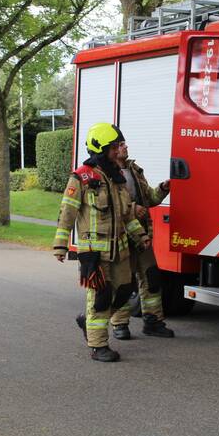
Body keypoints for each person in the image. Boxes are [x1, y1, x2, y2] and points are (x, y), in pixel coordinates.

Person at [53, 123, 150, 362]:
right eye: (115, 147)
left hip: (120, 252)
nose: (119, 151)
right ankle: (98, 346)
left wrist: (141, 236)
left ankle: (89, 321)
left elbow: (126, 215)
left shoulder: (117, 178)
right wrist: (60, 245)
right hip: (95, 254)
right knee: (100, 298)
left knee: (126, 291)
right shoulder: (82, 178)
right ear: (102, 149)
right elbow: (67, 213)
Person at [108, 140, 174, 340]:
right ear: (111, 149)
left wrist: (163, 189)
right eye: (120, 145)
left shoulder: (134, 170)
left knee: (151, 277)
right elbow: (110, 204)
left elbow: (149, 199)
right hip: (121, 237)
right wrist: (133, 208)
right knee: (124, 282)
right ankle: (120, 323)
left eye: (124, 144)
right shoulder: (106, 173)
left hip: (142, 235)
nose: (125, 147)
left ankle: (153, 322)